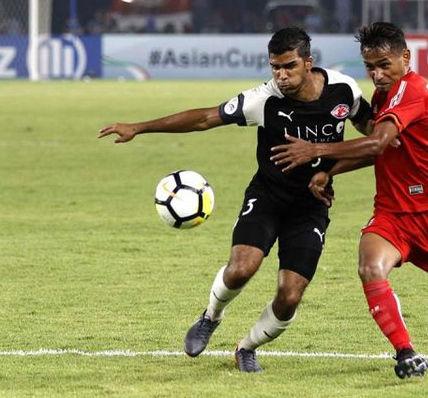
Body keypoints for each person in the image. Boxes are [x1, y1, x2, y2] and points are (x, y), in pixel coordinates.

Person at [97, 27, 372, 372]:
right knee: (242, 268)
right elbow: (205, 118)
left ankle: (247, 346)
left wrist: (330, 171)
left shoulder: (343, 90)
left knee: (289, 296)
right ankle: (211, 317)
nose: (281, 76)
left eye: (289, 66)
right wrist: (140, 127)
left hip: (311, 208)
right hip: (268, 196)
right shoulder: (265, 99)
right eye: (275, 67)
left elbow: (374, 142)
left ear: (308, 62)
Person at [270, 22, 428, 379]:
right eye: (370, 67)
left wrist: (314, 152)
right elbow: (381, 152)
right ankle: (405, 353)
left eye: (384, 64)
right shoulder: (383, 96)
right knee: (370, 267)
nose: (377, 74)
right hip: (392, 211)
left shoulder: (414, 91)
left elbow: (377, 143)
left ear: (405, 57)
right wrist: (330, 171)